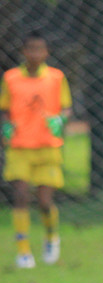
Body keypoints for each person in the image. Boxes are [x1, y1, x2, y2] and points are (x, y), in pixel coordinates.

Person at [1, 31, 72, 269]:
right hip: (20, 146)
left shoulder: (56, 78)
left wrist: (60, 120)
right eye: (31, 49)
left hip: (47, 147)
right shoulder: (11, 78)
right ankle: (23, 250)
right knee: (21, 195)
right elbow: (4, 108)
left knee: (44, 201)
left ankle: (51, 237)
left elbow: (66, 107)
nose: (35, 54)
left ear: (46, 52)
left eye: (39, 49)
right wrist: (6, 127)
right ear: (23, 52)